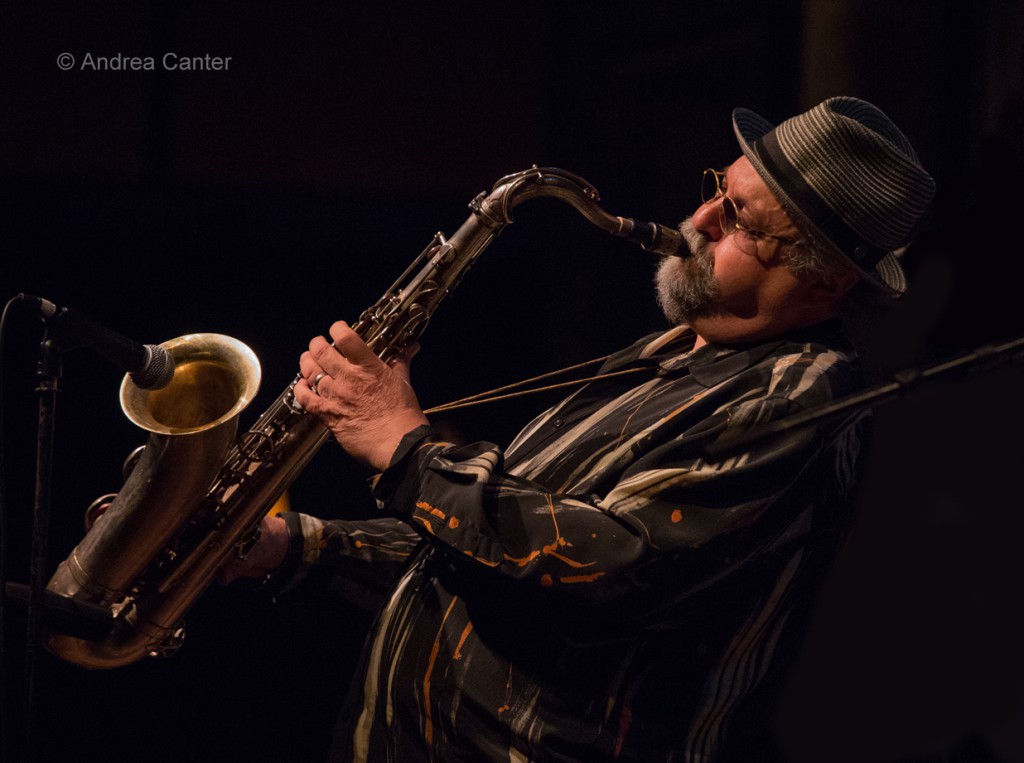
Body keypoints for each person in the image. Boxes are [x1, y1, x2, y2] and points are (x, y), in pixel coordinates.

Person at [222, 96, 935, 762]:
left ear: (826, 281)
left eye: (742, 220)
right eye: (720, 186)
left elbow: (603, 569)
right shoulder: (668, 352)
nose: (700, 218)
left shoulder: (799, 396)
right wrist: (297, 546)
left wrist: (408, 450)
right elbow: (481, 550)